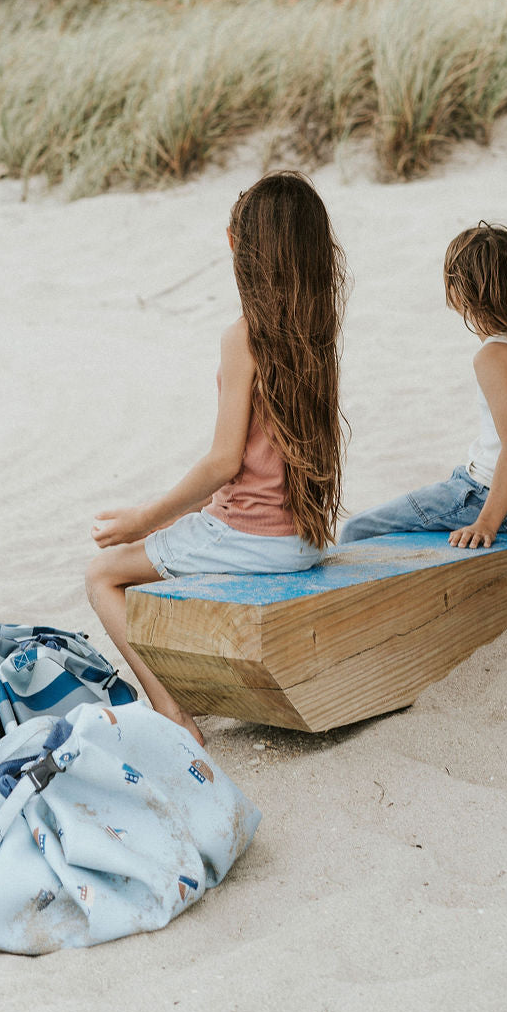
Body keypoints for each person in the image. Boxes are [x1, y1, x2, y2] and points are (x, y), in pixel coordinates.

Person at [86, 170, 348, 746]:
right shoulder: (314, 329)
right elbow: (258, 464)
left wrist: (143, 519)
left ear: (236, 244)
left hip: (251, 541)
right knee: (183, 526)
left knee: (103, 574)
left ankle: (174, 716)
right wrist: (177, 516)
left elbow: (224, 462)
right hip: (300, 541)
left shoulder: (245, 336)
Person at [341, 222, 507, 552]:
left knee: (356, 530)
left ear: (460, 293)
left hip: (490, 498)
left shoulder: (492, 356)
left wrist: (487, 522)